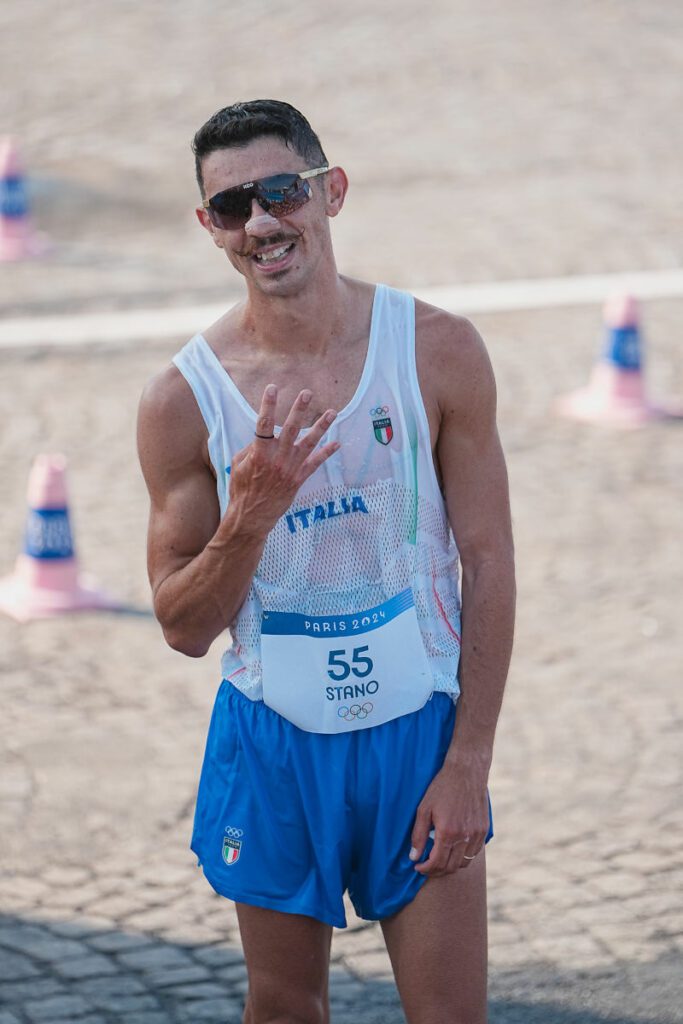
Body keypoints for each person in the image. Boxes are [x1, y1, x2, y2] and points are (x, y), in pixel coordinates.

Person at [137, 99, 515, 1024]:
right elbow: (183, 627)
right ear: (210, 229)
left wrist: (468, 760)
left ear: (330, 191)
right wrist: (251, 515)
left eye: (281, 192)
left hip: (414, 732)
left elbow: (489, 558)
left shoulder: (436, 351)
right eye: (233, 207)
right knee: (284, 1007)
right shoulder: (184, 401)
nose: (262, 222)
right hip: (273, 740)